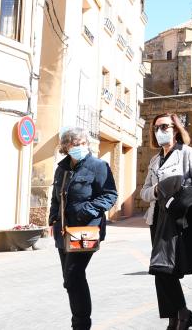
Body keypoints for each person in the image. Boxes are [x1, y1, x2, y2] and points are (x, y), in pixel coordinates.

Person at [140, 113, 192, 330]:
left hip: (177, 219)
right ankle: (177, 317)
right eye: (156, 128)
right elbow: (144, 192)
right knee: (161, 269)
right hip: (156, 219)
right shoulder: (154, 160)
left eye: (165, 126)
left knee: (165, 269)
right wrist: (158, 190)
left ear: (176, 129)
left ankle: (182, 315)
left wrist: (178, 192)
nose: (160, 131)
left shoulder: (188, 153)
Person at [49, 127, 118, 330]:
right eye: (73, 145)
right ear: (66, 148)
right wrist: (54, 218)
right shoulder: (61, 169)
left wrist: (86, 210)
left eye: (82, 144)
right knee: (71, 280)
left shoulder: (98, 166)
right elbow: (56, 197)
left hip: (85, 230)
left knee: (73, 275)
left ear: (87, 145)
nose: (78, 147)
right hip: (63, 232)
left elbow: (110, 195)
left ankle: (81, 325)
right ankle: (79, 323)